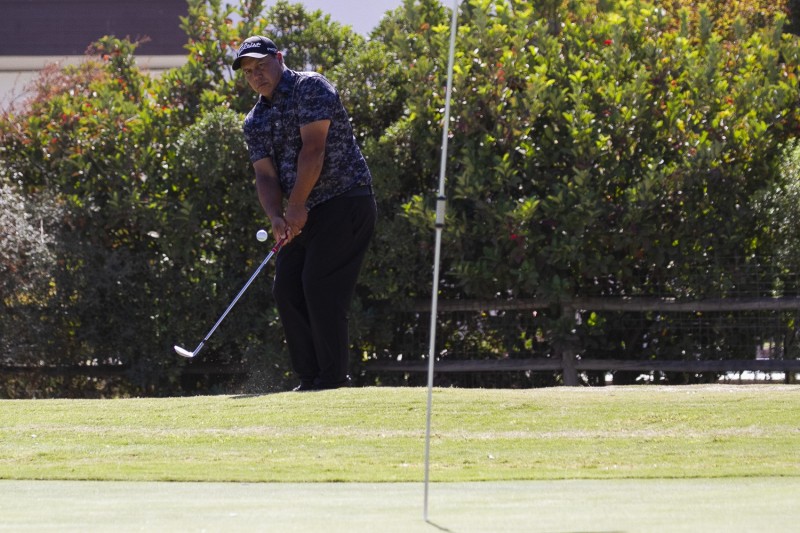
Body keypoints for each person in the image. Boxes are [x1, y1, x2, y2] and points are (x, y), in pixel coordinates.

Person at [233, 36, 376, 391]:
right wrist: (276, 217)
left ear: (279, 58)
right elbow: (265, 176)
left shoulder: (310, 88)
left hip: (345, 200)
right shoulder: (254, 120)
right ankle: (309, 380)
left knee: (318, 284)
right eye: (248, 72)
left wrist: (295, 206)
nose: (256, 75)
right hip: (305, 211)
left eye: (261, 66)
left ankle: (332, 379)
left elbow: (314, 151)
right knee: (286, 289)